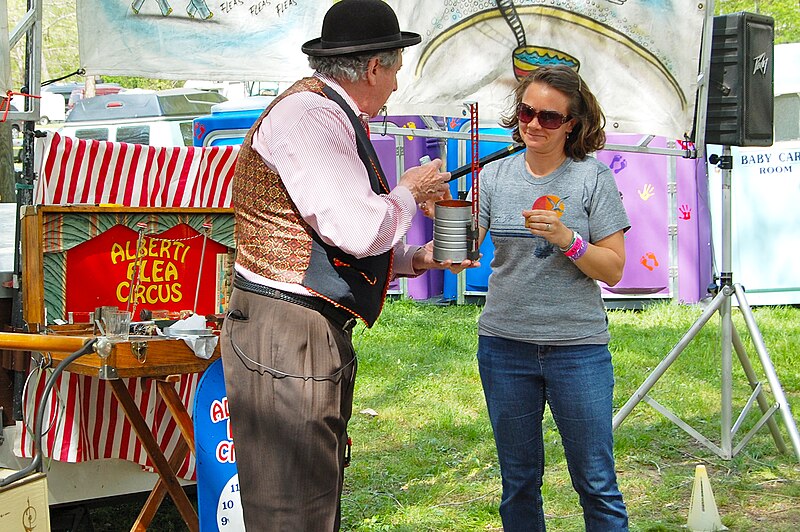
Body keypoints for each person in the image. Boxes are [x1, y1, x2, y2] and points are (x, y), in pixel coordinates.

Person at [220, 1, 477, 530]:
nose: (396, 88)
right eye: (396, 72)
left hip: (297, 329)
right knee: (294, 508)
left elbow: (327, 234)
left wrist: (413, 260)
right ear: (373, 68)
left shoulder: (324, 113)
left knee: (313, 496)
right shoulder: (311, 116)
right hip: (287, 331)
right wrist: (411, 191)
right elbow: (359, 230)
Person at [475, 65, 630, 531]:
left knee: (596, 481)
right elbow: (459, 256)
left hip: (577, 348)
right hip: (505, 347)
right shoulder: (496, 175)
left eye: (549, 117)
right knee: (518, 483)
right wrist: (440, 211)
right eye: (526, 112)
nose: (534, 125)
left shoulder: (591, 178)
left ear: (573, 125)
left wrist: (570, 240)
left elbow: (615, 269)